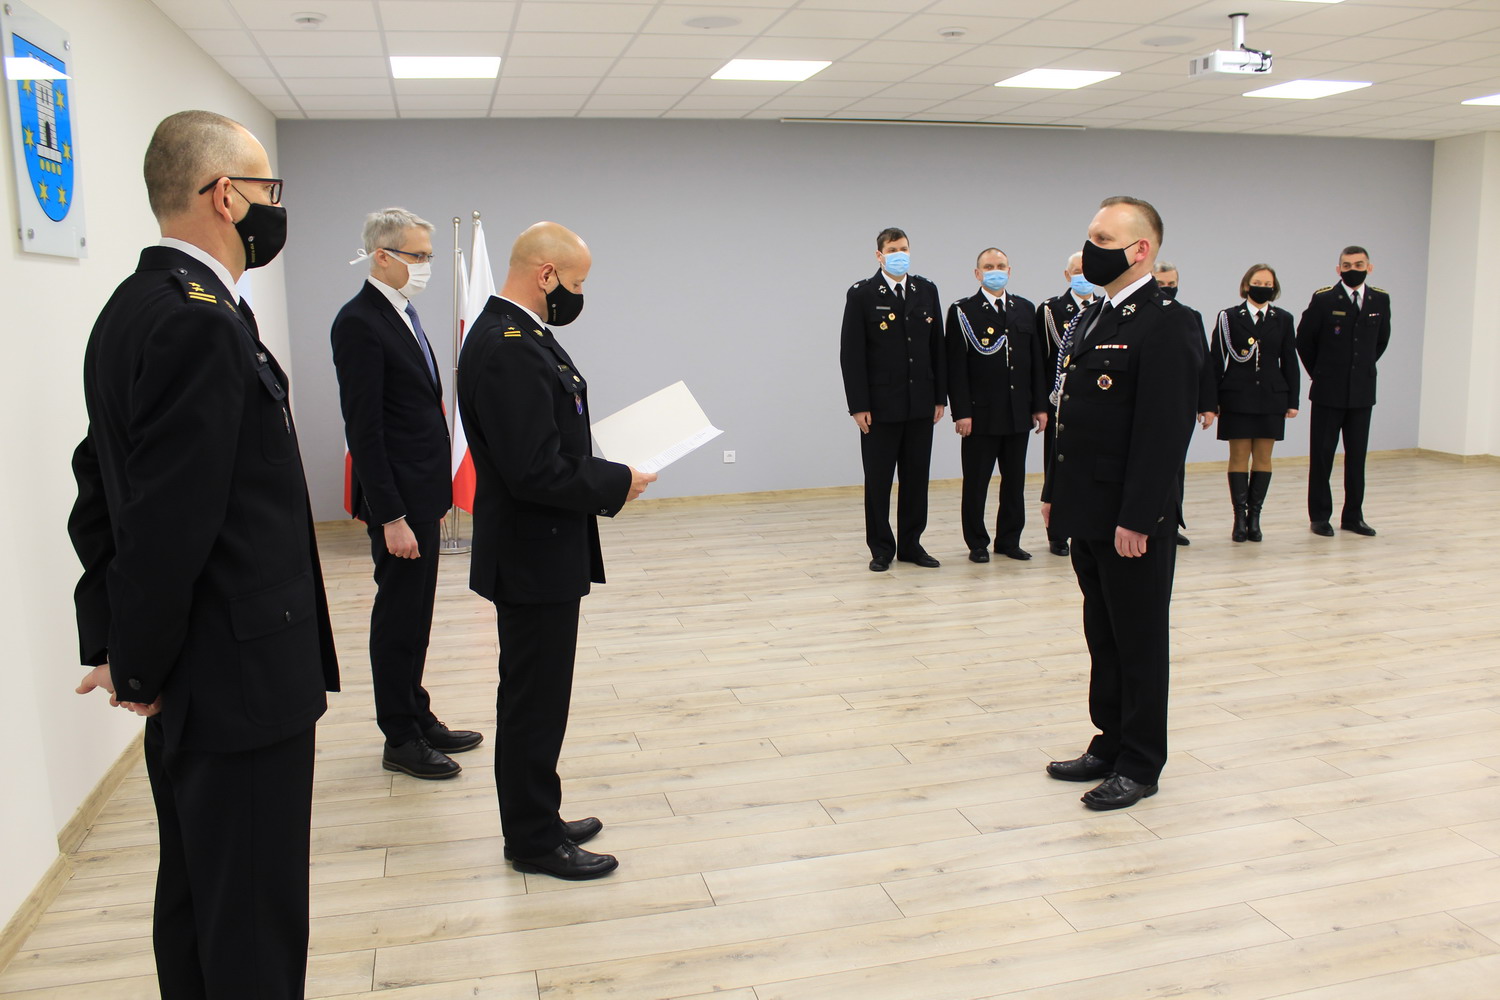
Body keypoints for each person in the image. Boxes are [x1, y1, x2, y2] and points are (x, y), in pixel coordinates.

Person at [68, 110, 339, 998]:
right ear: (226, 196)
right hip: (238, 677)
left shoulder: (132, 308)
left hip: (200, 671)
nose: (274, 206)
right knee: (252, 918)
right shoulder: (200, 322)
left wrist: (116, 642)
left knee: (198, 898)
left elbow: (100, 485)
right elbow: (167, 523)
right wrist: (136, 663)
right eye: (267, 189)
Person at [457, 221, 655, 880]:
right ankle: (533, 840)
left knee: (540, 697)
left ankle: (539, 814)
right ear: (546, 274)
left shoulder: (521, 334)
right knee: (533, 702)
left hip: (539, 549)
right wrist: (616, 482)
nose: (578, 295)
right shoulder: (507, 346)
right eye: (576, 282)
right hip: (530, 554)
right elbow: (533, 469)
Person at [1040, 196, 1200, 811]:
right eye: (1090, 236)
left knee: (1139, 640)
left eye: (1104, 239)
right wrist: (1054, 492)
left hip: (1131, 518)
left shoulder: (1168, 323)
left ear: (1141, 250)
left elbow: (1164, 434)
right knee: (1103, 634)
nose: (1091, 249)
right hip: (1087, 508)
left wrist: (1140, 517)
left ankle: (1140, 762)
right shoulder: (1092, 317)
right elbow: (1069, 415)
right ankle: (1108, 741)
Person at [331, 208, 481, 779]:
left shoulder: (402, 311)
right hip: (398, 503)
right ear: (382, 256)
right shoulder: (359, 322)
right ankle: (399, 735)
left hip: (422, 493)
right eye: (418, 256)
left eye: (428, 256)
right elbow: (364, 430)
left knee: (417, 614)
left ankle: (417, 714)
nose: (426, 266)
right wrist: (391, 515)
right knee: (397, 617)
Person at [839, 227, 945, 571]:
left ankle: (912, 545)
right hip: (880, 406)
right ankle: (881, 548)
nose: (900, 254)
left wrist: (939, 397)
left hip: (920, 402)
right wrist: (858, 406)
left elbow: (937, 347)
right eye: (893, 249)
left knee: (916, 480)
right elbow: (851, 354)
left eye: (904, 248)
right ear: (879, 255)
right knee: (879, 481)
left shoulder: (926, 290)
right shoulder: (863, 293)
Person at [945, 248, 1047, 562]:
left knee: (1015, 483)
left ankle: (1009, 540)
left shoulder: (1024, 308)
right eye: (988, 266)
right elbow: (956, 367)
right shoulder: (963, 311)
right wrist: (962, 412)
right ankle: (977, 543)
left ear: (1010, 271)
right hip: (981, 414)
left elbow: (1035, 363)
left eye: (1000, 266)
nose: (995, 271)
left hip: (1018, 412)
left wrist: (1039, 406)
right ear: (977, 273)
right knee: (977, 483)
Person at [1296, 245, 1390, 537]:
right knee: (1322, 456)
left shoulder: (1380, 299)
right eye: (1347, 266)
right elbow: (1304, 340)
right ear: (1338, 270)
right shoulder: (1324, 299)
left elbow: (1381, 340)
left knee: (1357, 457)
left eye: (1359, 265)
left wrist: (1360, 369)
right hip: (1328, 391)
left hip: (1362, 392)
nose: (1353, 270)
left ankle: (1353, 516)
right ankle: (1319, 516)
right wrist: (1321, 373)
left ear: (1369, 267)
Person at [1205, 265, 1300, 542]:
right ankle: (1239, 518)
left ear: (1274, 288)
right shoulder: (1229, 317)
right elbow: (1215, 360)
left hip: (1271, 396)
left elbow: (1290, 361)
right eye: (1257, 282)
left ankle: (1254, 518)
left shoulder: (1283, 319)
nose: (1262, 287)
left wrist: (1293, 400)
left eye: (1268, 284)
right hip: (1237, 396)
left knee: (1263, 457)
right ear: (1246, 285)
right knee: (1238, 456)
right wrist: (1211, 400)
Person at [1035, 252, 1095, 557]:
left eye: (1087, 270)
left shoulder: (1104, 308)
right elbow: (1041, 362)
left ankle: (1088, 525)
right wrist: (1041, 405)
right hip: (1059, 402)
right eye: (1077, 271)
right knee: (1057, 467)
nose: (1082, 276)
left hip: (1093, 403)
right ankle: (1057, 532)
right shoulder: (1051, 310)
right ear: (1067, 275)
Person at [1153, 261, 1216, 546]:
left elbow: (1203, 361)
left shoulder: (1190, 316)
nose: (1167, 289)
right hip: (1147, 403)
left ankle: (1171, 523)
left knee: (1176, 467)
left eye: (1171, 284)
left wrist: (1207, 405)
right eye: (1161, 283)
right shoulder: (1141, 315)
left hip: (1180, 405)